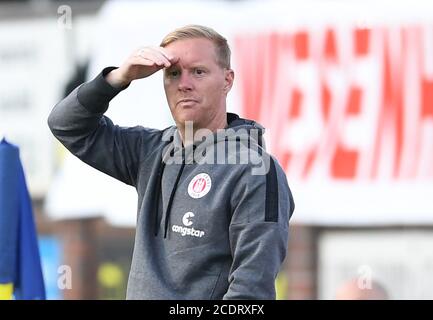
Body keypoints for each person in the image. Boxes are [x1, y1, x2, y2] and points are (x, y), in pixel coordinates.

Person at [48, 24, 294, 300]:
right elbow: (66, 125)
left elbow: (251, 293)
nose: (184, 84)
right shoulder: (150, 150)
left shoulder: (256, 171)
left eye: (198, 72)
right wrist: (118, 77)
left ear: (227, 80)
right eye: (173, 73)